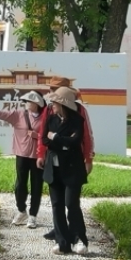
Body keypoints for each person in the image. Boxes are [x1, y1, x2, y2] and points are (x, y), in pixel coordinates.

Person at [0, 91, 46, 228]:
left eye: (29, 101)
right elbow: (0, 114)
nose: (26, 103)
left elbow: (49, 136)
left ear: (37, 103)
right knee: (20, 184)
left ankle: (33, 216)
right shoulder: (19, 115)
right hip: (21, 154)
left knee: (37, 186)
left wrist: (37, 135)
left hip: (38, 157)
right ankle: (21, 210)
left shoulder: (46, 117)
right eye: (26, 101)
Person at [38, 76, 94, 241]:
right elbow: (43, 134)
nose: (51, 92)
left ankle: (76, 234)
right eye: (51, 89)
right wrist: (41, 154)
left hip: (72, 160)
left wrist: (88, 158)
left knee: (71, 202)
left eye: (55, 89)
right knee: (57, 201)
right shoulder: (49, 110)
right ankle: (60, 232)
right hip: (54, 159)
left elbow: (86, 136)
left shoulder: (79, 111)